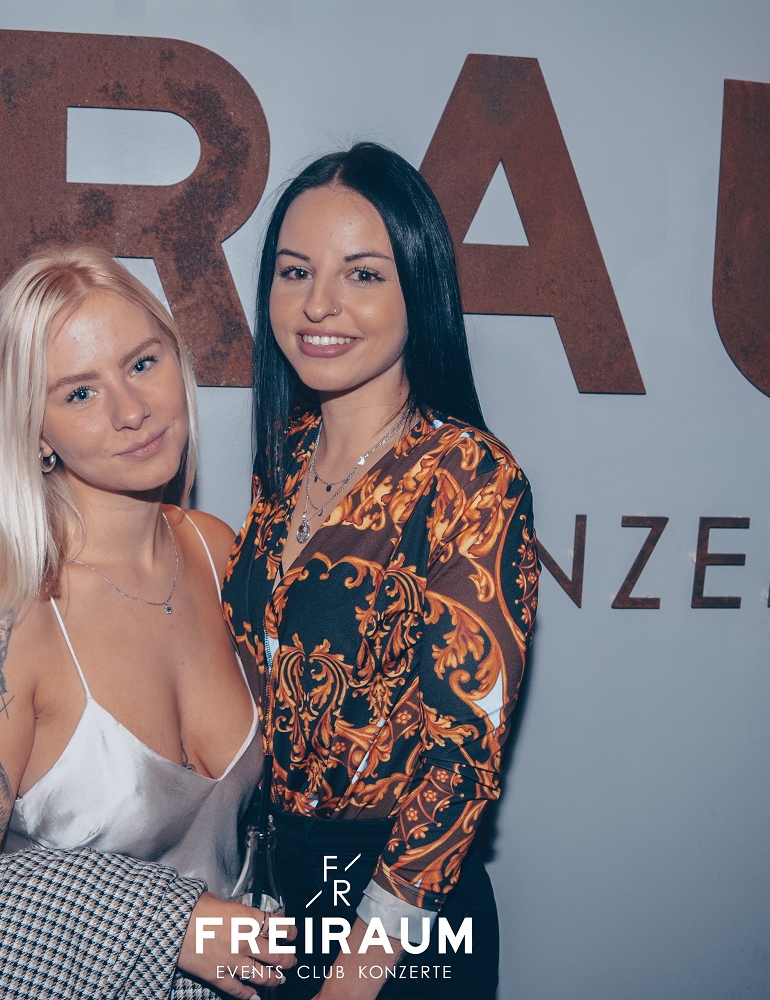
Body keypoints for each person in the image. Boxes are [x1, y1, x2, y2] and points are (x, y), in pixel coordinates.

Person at [0, 246, 290, 999]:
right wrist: (169, 922)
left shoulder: (215, 551)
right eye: (79, 393)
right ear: (34, 430)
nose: (130, 410)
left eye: (142, 364)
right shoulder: (0, 617)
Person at [220, 142, 540, 1000]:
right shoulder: (284, 460)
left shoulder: (470, 475)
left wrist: (354, 978)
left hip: (396, 922)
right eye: (295, 272)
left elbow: (460, 761)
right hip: (273, 895)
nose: (317, 303)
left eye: (362, 274)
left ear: (418, 290)